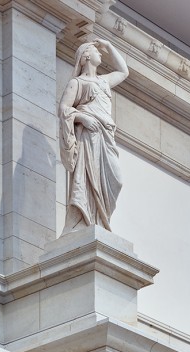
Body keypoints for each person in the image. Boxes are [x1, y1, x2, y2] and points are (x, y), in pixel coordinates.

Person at [58, 37, 130, 232]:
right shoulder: (77, 83)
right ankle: (86, 220)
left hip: (106, 136)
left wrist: (109, 46)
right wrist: (82, 118)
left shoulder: (104, 81)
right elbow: (64, 108)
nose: (100, 53)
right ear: (86, 55)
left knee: (116, 180)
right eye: (97, 51)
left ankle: (100, 218)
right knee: (87, 179)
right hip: (90, 137)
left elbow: (124, 71)